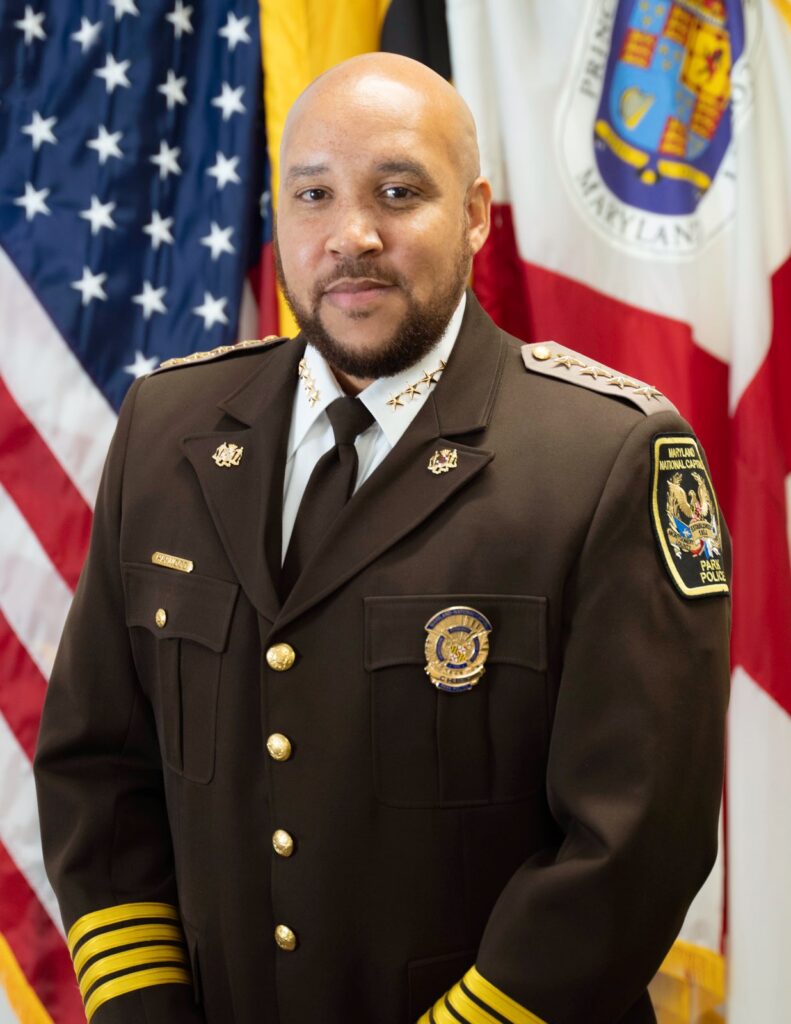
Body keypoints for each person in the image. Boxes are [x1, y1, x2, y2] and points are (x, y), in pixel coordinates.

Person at [34, 53, 731, 1024]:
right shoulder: (169, 428)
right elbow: (97, 768)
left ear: (476, 214)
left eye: (397, 192)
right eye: (312, 194)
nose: (349, 235)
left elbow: (632, 843)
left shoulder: (605, 455)